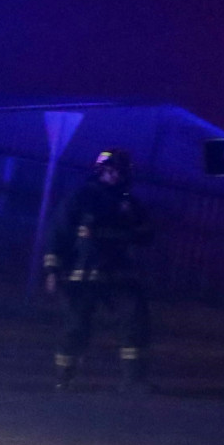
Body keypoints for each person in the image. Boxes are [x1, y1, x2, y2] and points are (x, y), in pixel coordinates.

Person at [44, 149, 154, 390]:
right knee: (76, 326)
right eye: (110, 171)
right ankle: (64, 378)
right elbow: (58, 233)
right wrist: (52, 269)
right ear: (101, 171)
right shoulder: (81, 197)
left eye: (119, 172)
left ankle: (133, 380)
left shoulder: (130, 204)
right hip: (81, 275)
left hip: (120, 276)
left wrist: (129, 230)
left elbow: (148, 235)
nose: (115, 176)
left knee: (135, 321)